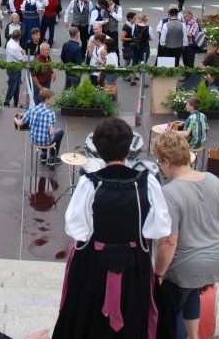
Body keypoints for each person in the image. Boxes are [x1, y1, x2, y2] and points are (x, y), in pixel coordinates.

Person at [55, 118, 171, 339]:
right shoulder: (147, 183)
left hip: (92, 264)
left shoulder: (89, 183)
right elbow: (160, 229)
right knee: (132, 319)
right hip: (134, 266)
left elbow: (77, 229)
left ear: (98, 150)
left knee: (87, 318)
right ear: (129, 149)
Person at [153, 130, 219, 339]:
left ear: (166, 161)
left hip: (186, 265)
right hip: (216, 259)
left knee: (169, 313)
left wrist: (159, 273)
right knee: (191, 292)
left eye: (159, 162)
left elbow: (169, 240)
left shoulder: (170, 192)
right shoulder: (213, 180)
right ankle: (194, 336)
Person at [14, 88, 63, 166]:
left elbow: (19, 124)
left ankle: (43, 155)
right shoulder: (51, 113)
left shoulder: (32, 110)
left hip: (34, 140)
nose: (53, 100)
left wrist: (15, 119)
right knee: (60, 132)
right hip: (46, 141)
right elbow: (51, 133)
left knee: (42, 133)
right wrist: (52, 131)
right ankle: (52, 159)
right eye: (52, 98)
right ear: (47, 100)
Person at [5, 30, 26, 107]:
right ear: (19, 37)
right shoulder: (14, 46)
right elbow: (21, 58)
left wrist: (21, 51)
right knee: (13, 87)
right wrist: (24, 54)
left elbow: (19, 49)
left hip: (13, 67)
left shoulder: (10, 42)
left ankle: (16, 102)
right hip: (14, 68)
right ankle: (6, 102)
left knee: (17, 87)